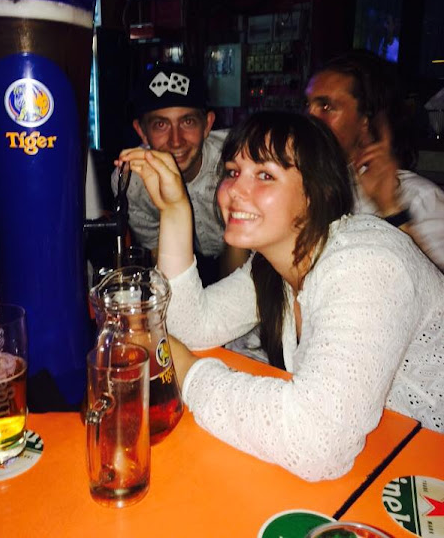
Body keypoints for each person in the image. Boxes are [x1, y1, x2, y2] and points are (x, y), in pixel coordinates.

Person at [116, 111, 444, 482]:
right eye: (233, 172)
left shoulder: (366, 263)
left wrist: (187, 369)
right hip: (390, 461)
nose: (235, 190)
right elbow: (191, 327)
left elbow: (317, 442)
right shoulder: (276, 262)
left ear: (316, 193)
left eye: (265, 175)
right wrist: (175, 210)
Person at [305, 49, 444, 271]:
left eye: (326, 107)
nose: (310, 118)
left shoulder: (419, 198)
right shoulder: (306, 188)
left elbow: (436, 287)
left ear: (365, 121)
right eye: (308, 105)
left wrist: (391, 210)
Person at [112, 63, 248, 283]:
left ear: (207, 125)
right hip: (181, 263)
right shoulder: (132, 180)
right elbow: (161, 260)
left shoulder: (238, 159)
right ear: (142, 132)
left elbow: (239, 271)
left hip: (248, 261)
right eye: (160, 125)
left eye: (187, 122)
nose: (176, 141)